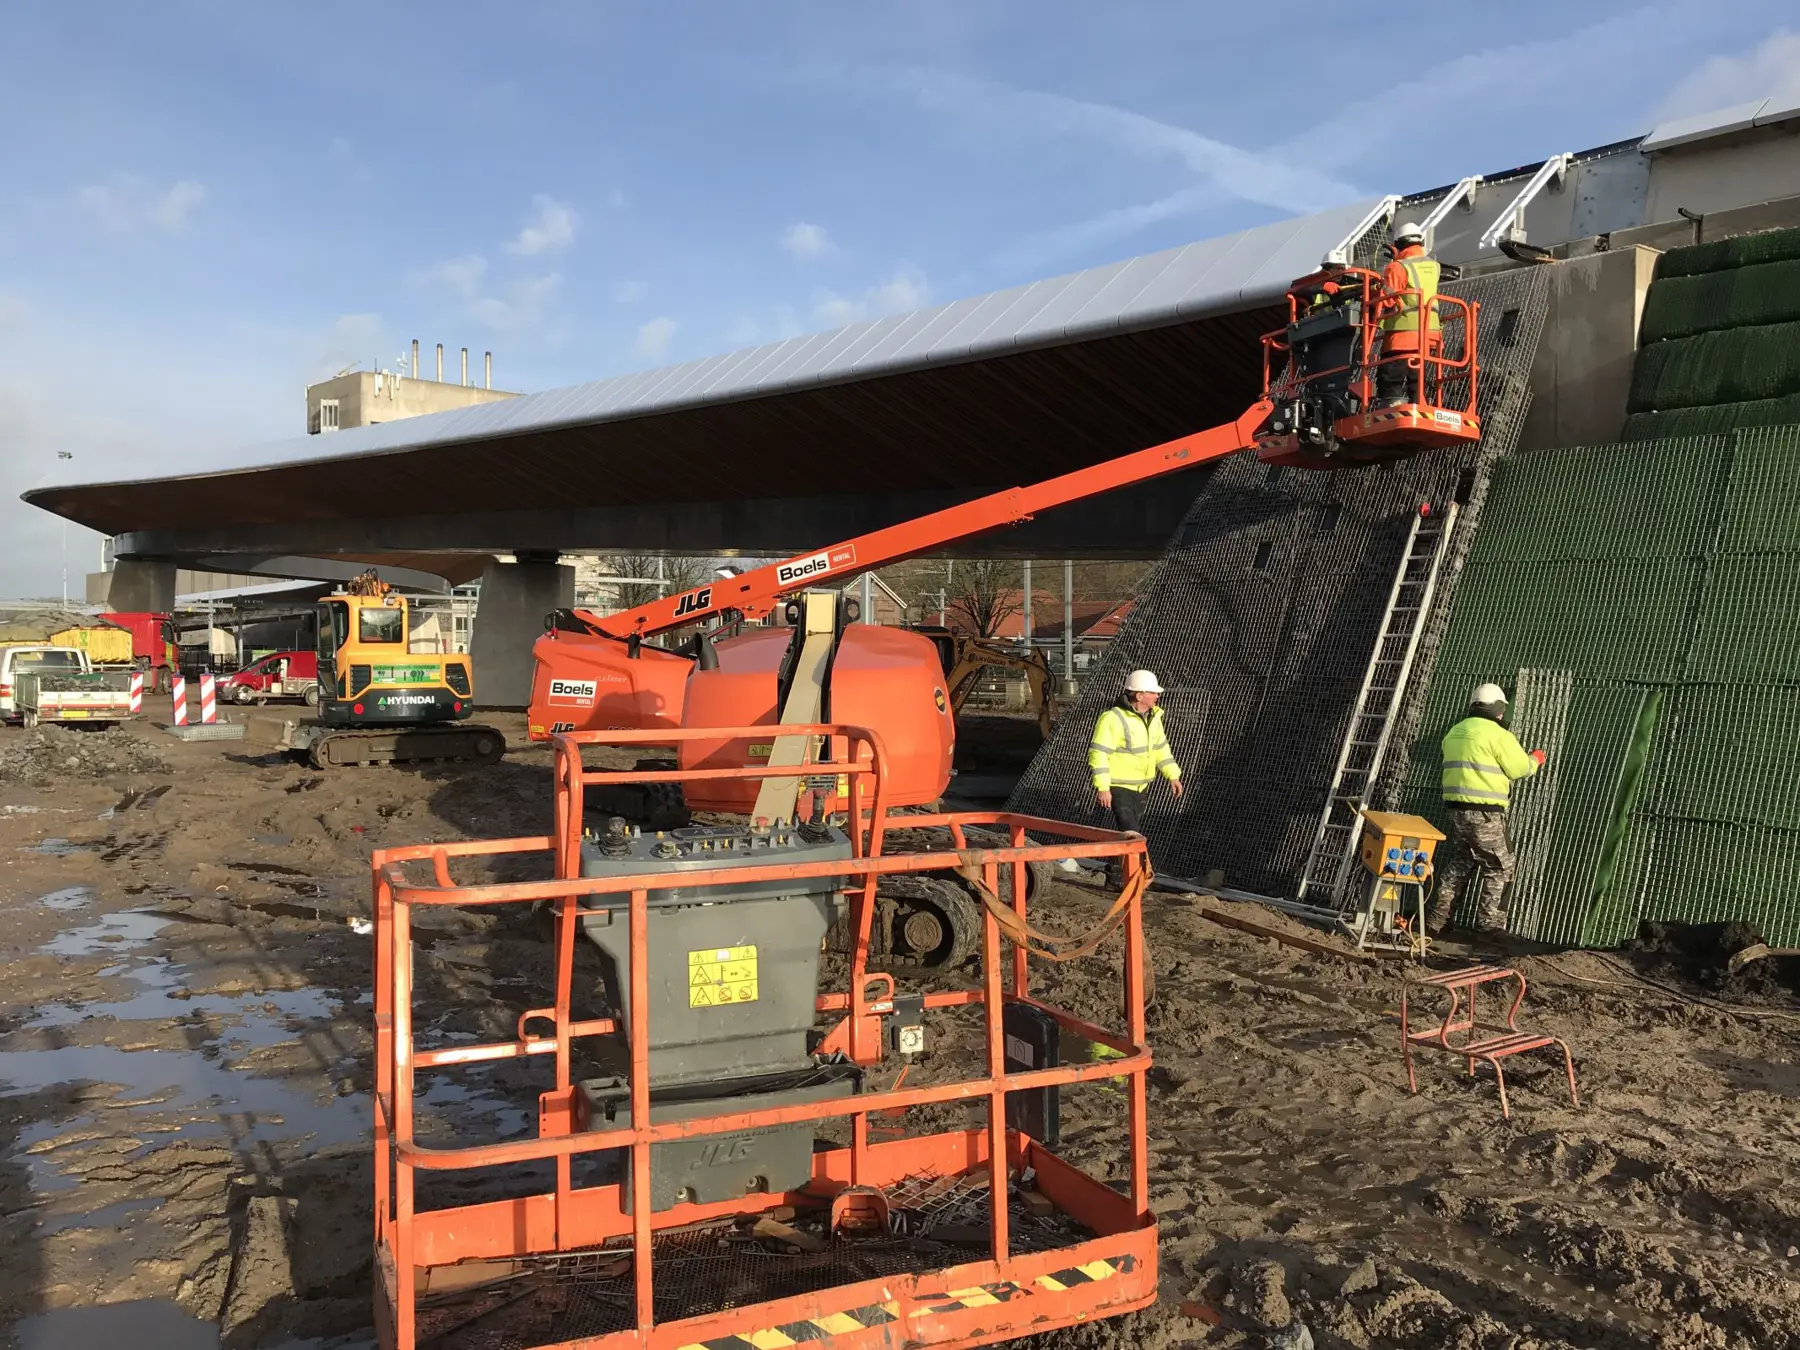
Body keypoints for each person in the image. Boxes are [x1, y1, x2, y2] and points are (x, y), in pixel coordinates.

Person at [1429, 683, 1546, 936]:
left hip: (1457, 810)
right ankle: (1490, 927)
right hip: (1484, 812)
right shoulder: (1498, 735)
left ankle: (1437, 922)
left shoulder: (1454, 732)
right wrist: (1535, 759)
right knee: (1500, 866)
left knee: (1462, 862)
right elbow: (1518, 769)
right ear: (1497, 709)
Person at [1089, 669, 1184, 884]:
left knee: (1127, 835)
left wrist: (1173, 776)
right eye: (1153, 692)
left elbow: (1161, 749)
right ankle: (1129, 881)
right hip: (1119, 786)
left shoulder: (1154, 717)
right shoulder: (1113, 718)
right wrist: (1103, 787)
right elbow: (1099, 753)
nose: (1157, 696)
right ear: (1139, 695)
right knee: (1131, 833)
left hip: (1141, 788)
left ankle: (1115, 877)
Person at [1375, 222, 1441, 407]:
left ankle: (1392, 408)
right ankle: (1421, 406)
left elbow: (1387, 300)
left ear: (1400, 244)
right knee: (1417, 375)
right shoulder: (1434, 266)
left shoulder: (1396, 267)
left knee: (1391, 373)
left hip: (1404, 331)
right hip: (1430, 333)